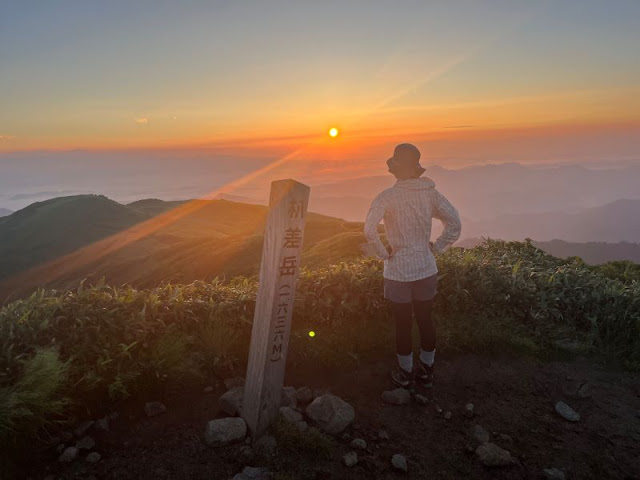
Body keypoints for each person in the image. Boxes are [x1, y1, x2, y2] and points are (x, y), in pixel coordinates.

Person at [363, 143, 461, 392]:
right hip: (425, 267)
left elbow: (369, 229)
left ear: (395, 170)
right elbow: (454, 223)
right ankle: (427, 371)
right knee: (426, 320)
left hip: (397, 272)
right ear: (416, 169)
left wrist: (384, 253)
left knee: (403, 324)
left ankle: (405, 373)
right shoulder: (430, 194)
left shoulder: (386, 197)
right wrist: (436, 248)